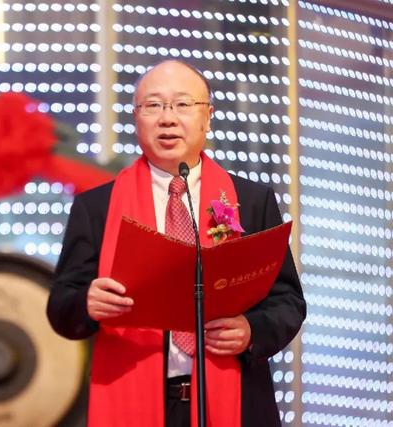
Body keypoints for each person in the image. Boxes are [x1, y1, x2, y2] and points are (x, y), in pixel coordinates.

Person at [47, 60, 306, 427]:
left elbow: (288, 301)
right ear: (136, 118)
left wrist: (252, 330)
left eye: (183, 104)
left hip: (235, 398)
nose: (167, 119)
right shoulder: (97, 207)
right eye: (153, 105)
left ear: (207, 117)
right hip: (134, 398)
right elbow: (61, 306)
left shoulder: (250, 200)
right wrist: (86, 303)